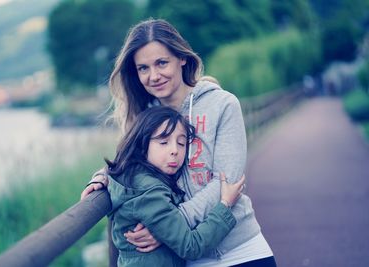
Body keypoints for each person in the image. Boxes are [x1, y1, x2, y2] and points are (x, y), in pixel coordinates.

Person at [81, 18, 277, 267]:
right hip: (189, 258)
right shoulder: (145, 118)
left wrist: (168, 225)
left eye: (161, 63)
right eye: (143, 68)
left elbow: (227, 182)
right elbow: (129, 164)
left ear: (182, 58)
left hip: (242, 249)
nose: (154, 76)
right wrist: (104, 176)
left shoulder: (222, 104)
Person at [106, 106, 244, 266]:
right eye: (163, 142)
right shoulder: (148, 192)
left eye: (181, 143)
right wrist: (225, 205)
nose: (175, 151)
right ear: (142, 145)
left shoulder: (135, 177)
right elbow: (191, 246)